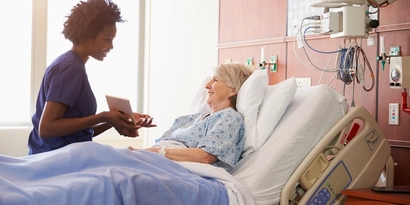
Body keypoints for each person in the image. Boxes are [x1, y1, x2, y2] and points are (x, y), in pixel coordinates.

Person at [28, 0, 154, 155]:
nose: (111, 46)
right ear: (88, 34)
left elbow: (78, 134)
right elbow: (47, 129)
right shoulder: (70, 68)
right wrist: (102, 116)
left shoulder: (71, 64)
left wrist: (112, 120)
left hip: (59, 154)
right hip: (55, 158)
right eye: (108, 39)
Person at [129, 63, 254, 172]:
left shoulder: (230, 117)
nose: (207, 85)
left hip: (175, 168)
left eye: (215, 80)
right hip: (155, 161)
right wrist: (140, 152)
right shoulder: (189, 118)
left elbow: (205, 157)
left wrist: (156, 152)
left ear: (232, 89)